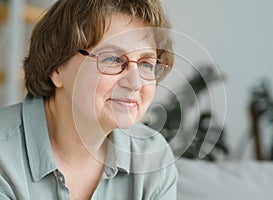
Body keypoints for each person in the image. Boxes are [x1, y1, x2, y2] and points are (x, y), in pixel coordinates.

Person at [0, 0, 178, 199]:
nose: (135, 83)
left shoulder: (154, 159)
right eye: (112, 59)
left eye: (146, 63)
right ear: (56, 67)